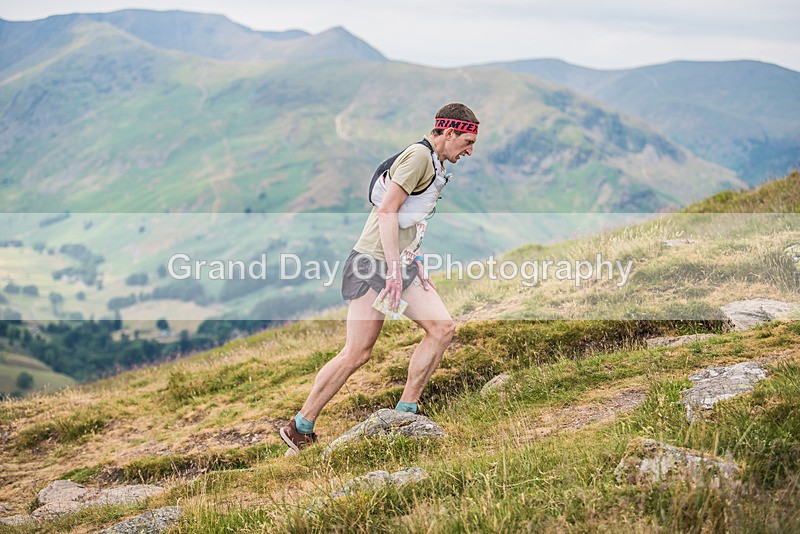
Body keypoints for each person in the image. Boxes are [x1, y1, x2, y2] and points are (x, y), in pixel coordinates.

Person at [279, 103, 479, 453]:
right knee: (358, 351)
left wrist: (414, 257)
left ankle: (404, 412)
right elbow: (387, 210)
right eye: (467, 142)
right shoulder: (419, 157)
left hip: (394, 260)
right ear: (448, 133)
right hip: (374, 263)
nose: (469, 151)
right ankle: (301, 426)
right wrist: (393, 270)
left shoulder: (433, 162)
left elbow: (409, 217)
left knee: (440, 328)